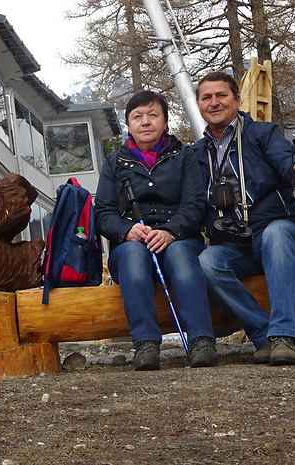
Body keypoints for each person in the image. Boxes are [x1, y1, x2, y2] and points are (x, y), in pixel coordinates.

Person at [193, 71, 295, 366]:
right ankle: (264, 336)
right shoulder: (196, 154)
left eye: (221, 95)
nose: (214, 102)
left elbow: (286, 160)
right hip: (232, 243)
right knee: (207, 261)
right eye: (206, 97)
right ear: (199, 105)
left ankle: (284, 337)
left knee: (277, 234)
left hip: (273, 230)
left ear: (237, 100)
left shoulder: (263, 133)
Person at [95, 90, 217, 371]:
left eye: (153, 115)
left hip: (179, 237)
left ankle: (201, 340)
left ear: (165, 122)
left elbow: (195, 204)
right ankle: (146, 343)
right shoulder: (114, 163)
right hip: (131, 242)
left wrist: (171, 231)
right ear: (128, 124)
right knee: (134, 258)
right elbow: (103, 214)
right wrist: (127, 231)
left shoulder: (185, 156)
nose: (145, 122)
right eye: (138, 116)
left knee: (181, 257)